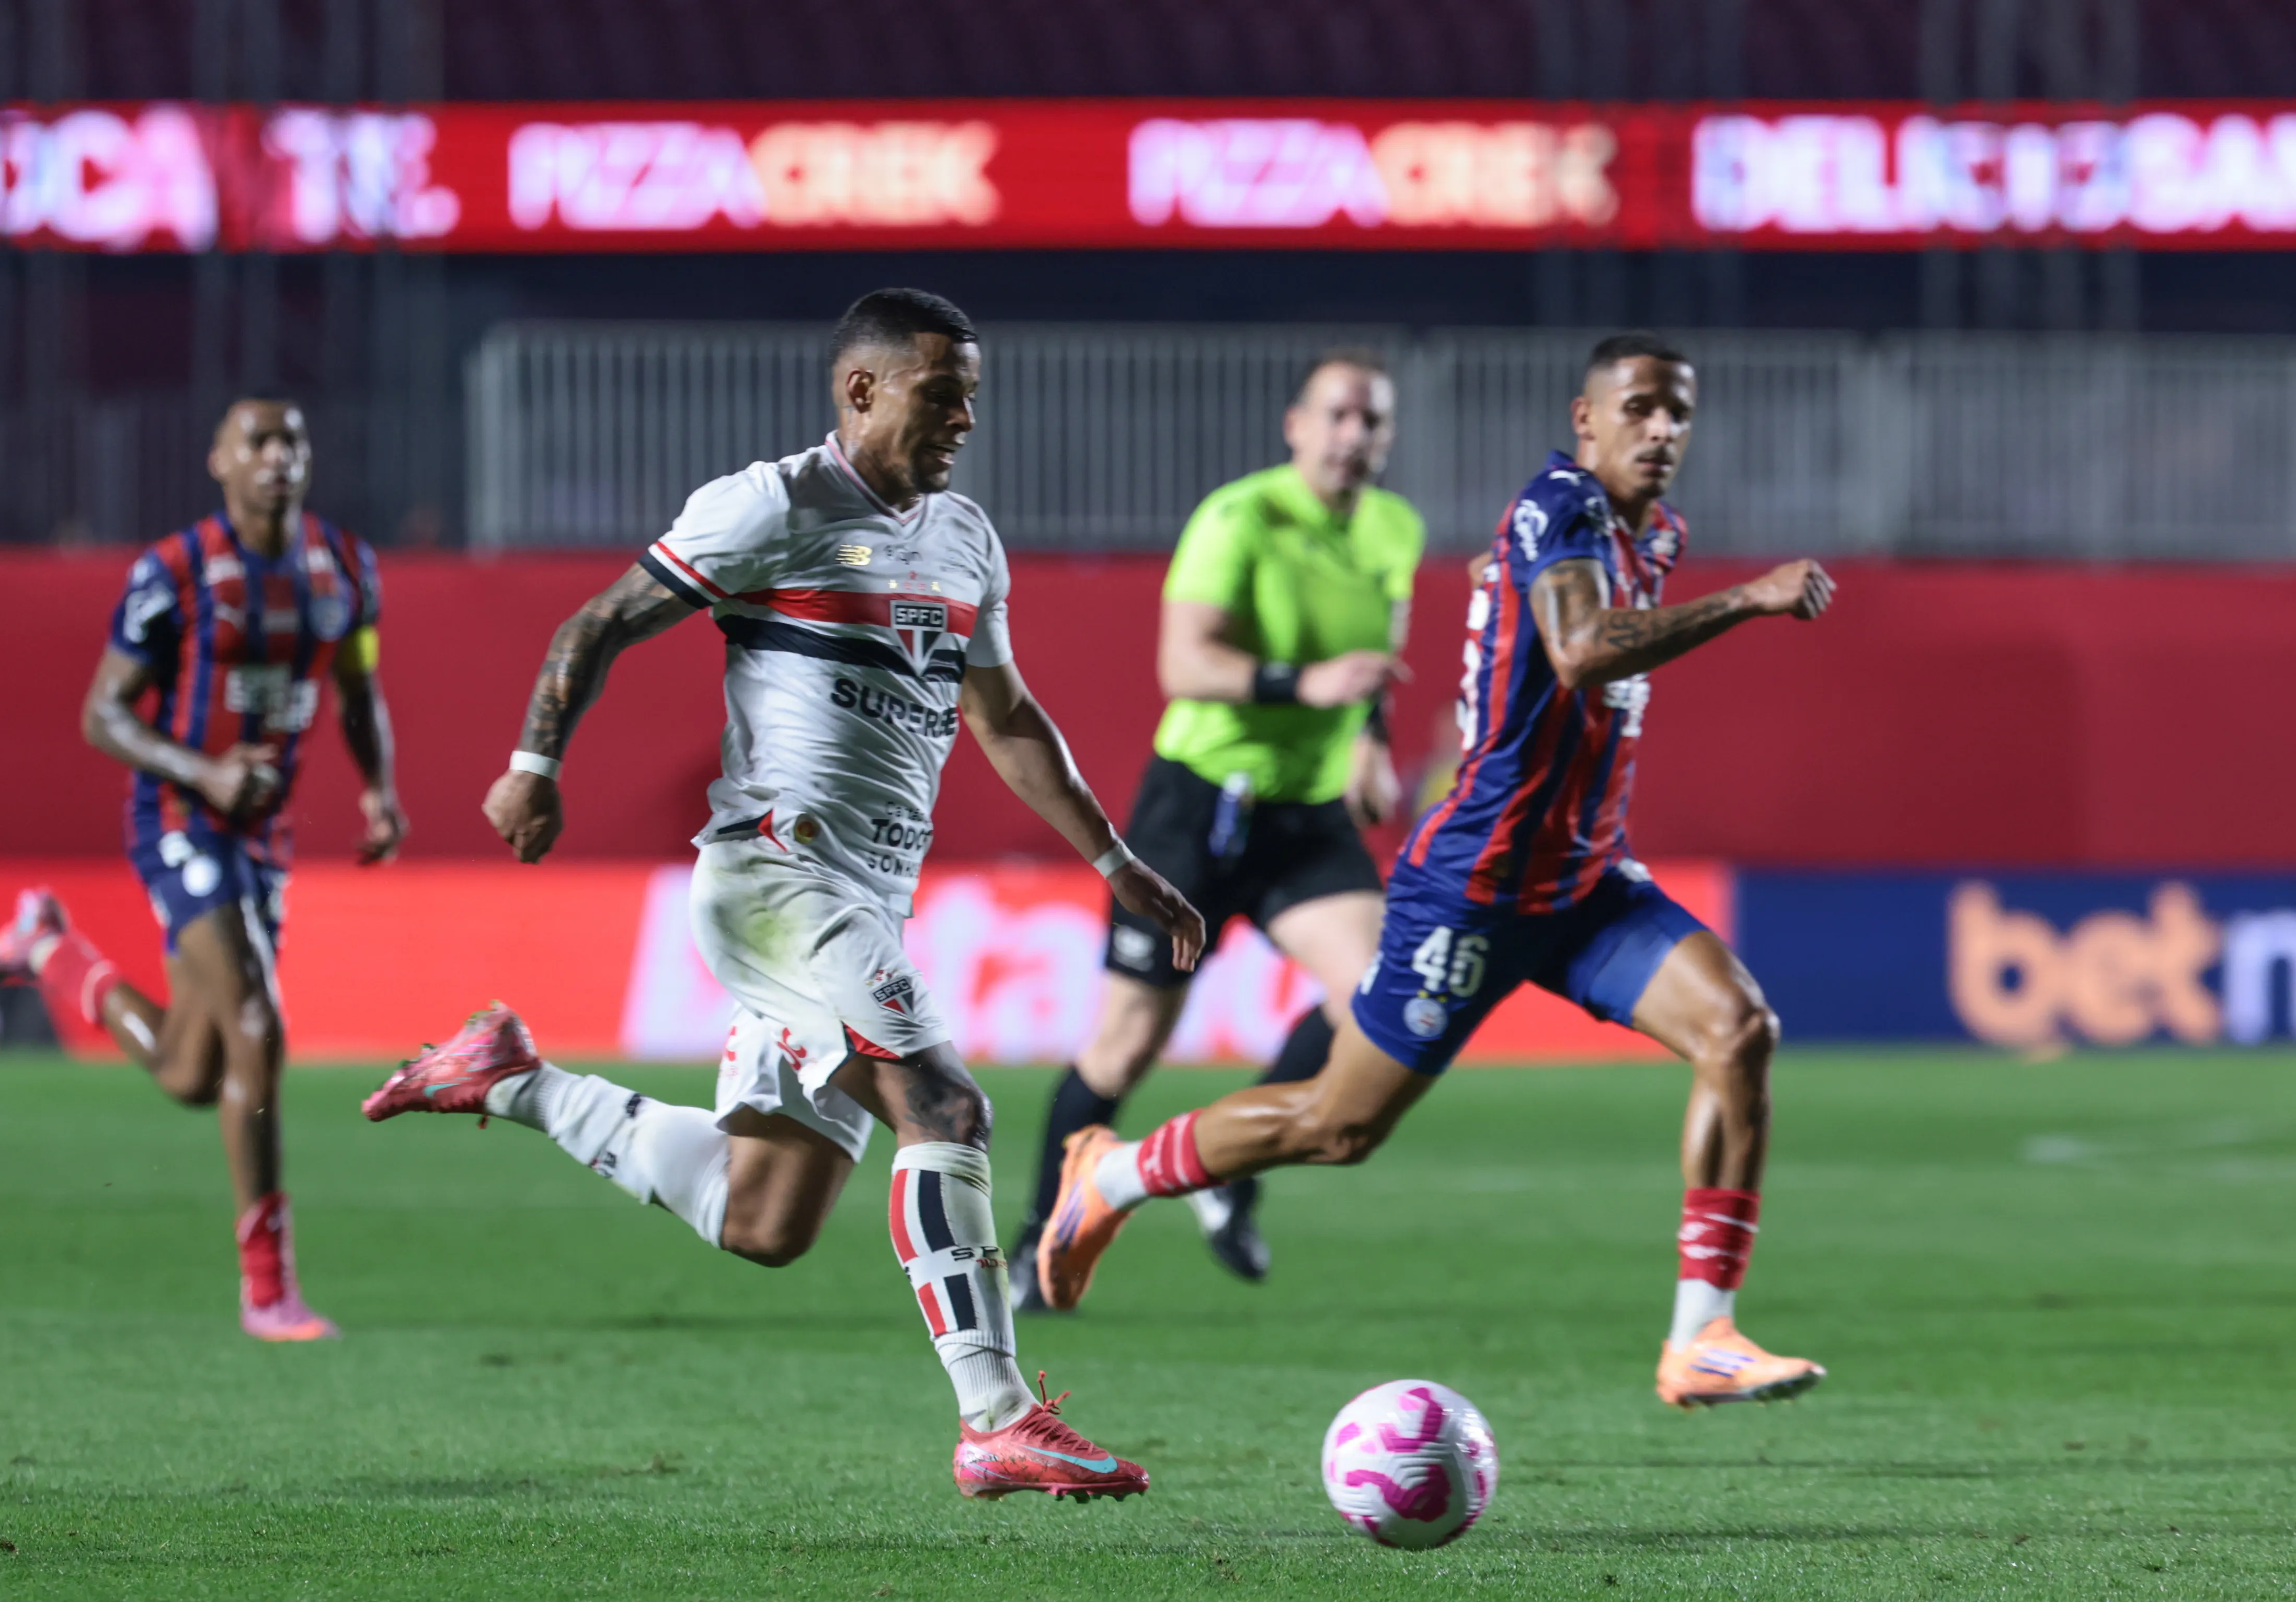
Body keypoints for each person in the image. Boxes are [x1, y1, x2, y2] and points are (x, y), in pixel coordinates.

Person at [359, 290, 1203, 1498]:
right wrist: (533, 767)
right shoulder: (772, 505)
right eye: (940, 390)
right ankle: (996, 1419)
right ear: (860, 390)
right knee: (945, 1108)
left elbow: (1003, 717)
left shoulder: (963, 536)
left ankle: (511, 1078)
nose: (966, 414)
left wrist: (1115, 859)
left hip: (865, 897)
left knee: (765, 1219)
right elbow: (598, 623)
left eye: (972, 391)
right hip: (776, 875)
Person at [1038, 332, 1841, 1411]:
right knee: (1336, 1126)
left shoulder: (1645, 534)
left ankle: (1701, 1336)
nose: (1661, 430)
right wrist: (1745, 601)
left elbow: (1519, 615)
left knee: (1737, 1030)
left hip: (1581, 880)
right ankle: (1115, 1175)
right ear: (1585, 420)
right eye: (1639, 408)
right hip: (1473, 884)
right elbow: (1581, 648)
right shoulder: (1555, 506)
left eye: (1677, 413)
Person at [0, 398, 405, 1342]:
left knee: (189, 1068)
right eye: (258, 441)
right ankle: (269, 1289)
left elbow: (357, 685)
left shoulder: (345, 570)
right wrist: (204, 769)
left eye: (293, 438)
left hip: (264, 834)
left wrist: (378, 792)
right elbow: (103, 715)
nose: (277, 457)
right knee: (259, 1026)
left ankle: (53, 950)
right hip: (179, 815)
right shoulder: (171, 574)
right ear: (219, 460)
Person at [1008, 350, 1421, 1308]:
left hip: (1306, 813)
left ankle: (1229, 1166)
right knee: (1124, 1048)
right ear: (1296, 424)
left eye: (1373, 422)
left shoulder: (1396, 528)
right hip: (1200, 805)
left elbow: (1373, 666)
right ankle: (1040, 1239)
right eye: (1339, 416)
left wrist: (1368, 740)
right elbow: (1183, 664)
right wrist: (1301, 685)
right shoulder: (1240, 517)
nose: (1354, 436)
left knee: (1373, 991)